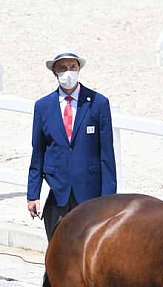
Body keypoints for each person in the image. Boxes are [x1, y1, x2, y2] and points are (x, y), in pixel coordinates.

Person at [27, 50, 116, 241]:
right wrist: (33, 194)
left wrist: (109, 199)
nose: (68, 72)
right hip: (58, 194)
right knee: (57, 253)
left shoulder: (98, 103)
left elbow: (107, 156)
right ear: (55, 73)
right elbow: (38, 153)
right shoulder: (43, 106)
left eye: (72, 67)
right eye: (63, 68)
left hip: (90, 195)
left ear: (79, 69)